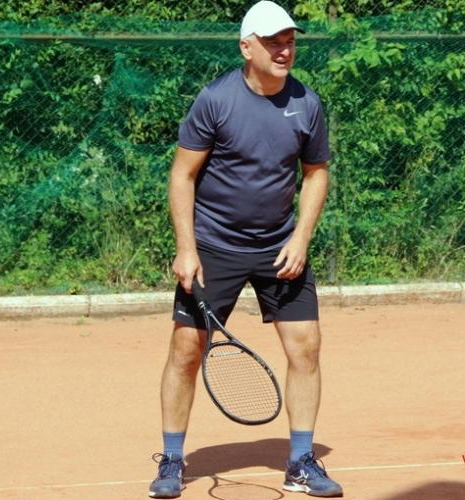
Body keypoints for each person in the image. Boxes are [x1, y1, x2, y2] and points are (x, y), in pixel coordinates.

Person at [149, 1, 343, 498]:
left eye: (289, 41)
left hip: (280, 247)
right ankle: (172, 459)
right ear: (246, 47)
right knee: (186, 351)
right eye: (273, 41)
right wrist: (187, 249)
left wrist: (301, 238)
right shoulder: (216, 100)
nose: (284, 50)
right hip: (215, 246)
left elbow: (316, 174)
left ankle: (301, 462)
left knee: (306, 347)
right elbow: (182, 175)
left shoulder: (307, 103)